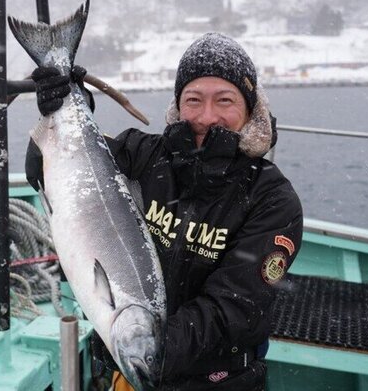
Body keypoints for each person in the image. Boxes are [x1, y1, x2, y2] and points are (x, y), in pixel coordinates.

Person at [26, 32, 303, 391]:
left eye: (225, 100)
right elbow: (44, 175)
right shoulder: (141, 154)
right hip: (125, 368)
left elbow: (231, 308)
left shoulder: (272, 199)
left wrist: (145, 351)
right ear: (177, 104)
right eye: (193, 99)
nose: (208, 116)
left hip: (217, 381)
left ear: (250, 109)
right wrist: (60, 111)